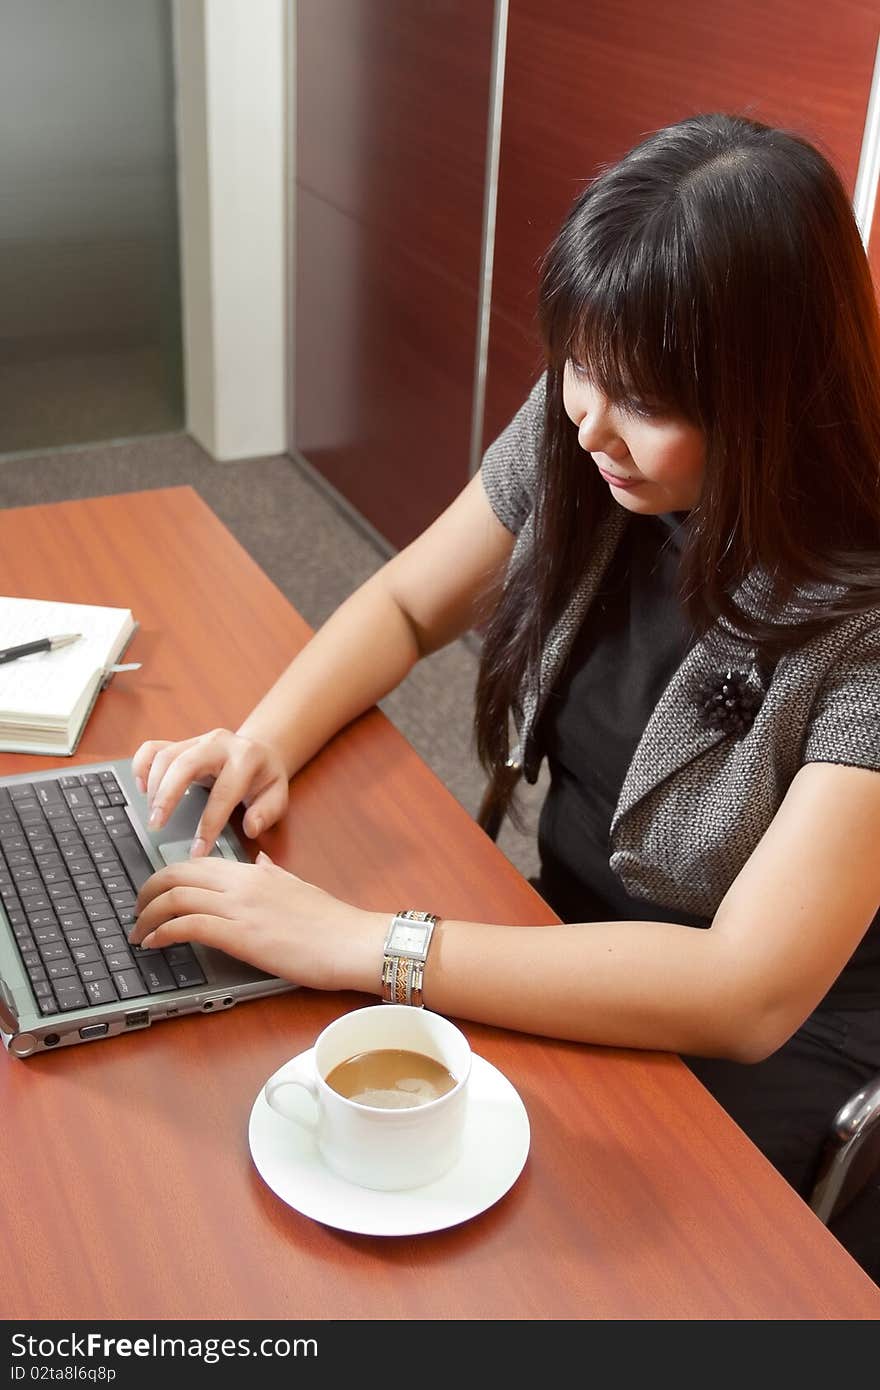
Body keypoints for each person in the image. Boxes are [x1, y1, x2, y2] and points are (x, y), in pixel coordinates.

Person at [129, 113, 880, 1273]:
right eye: (580, 364)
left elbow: (744, 991)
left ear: (769, 395)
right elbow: (404, 606)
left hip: (767, 1039)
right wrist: (266, 739)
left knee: (523, 1256)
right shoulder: (592, 438)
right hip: (563, 925)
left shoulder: (863, 624)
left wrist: (364, 941)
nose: (586, 419)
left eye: (640, 395)